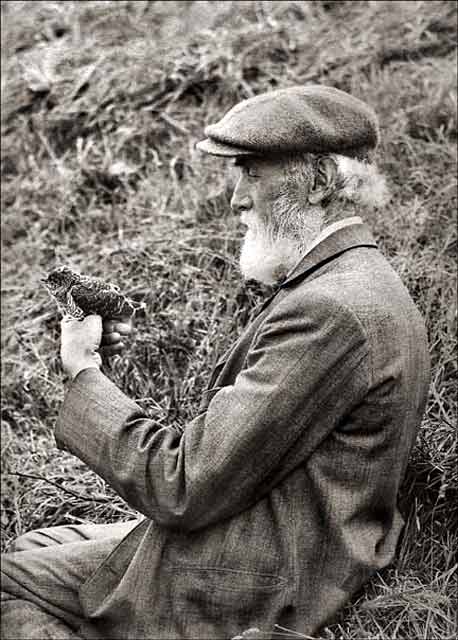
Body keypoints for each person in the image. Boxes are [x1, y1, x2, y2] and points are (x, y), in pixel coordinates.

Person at [1, 85, 430, 639]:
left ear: (321, 181)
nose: (235, 199)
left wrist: (84, 374)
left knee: (8, 581)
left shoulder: (330, 310)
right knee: (41, 543)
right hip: (295, 537)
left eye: (251, 172)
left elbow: (182, 486)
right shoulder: (355, 281)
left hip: (264, 578)